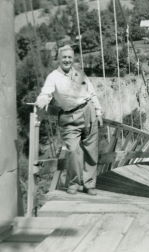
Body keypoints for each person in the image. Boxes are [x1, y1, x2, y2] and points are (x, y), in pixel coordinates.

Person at [35, 45, 103, 195]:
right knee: (73, 151)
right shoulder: (53, 76)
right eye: (64, 57)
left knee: (91, 150)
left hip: (88, 111)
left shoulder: (79, 73)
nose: (67, 60)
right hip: (69, 117)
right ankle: (74, 183)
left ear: (73, 59)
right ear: (59, 59)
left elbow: (91, 93)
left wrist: (98, 111)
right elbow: (46, 93)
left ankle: (89, 184)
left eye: (69, 57)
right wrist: (42, 100)